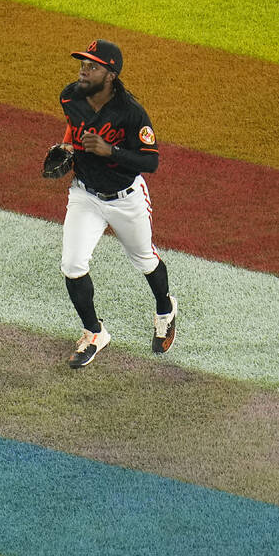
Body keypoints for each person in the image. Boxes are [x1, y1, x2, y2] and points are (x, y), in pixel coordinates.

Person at [55, 39, 177, 368]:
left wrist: (110, 151)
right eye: (83, 62)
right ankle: (94, 333)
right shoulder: (70, 96)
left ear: (110, 74)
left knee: (145, 260)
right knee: (72, 265)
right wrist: (67, 149)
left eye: (92, 66)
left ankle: (165, 309)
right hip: (85, 194)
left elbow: (150, 162)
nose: (83, 69)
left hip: (126, 199)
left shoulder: (131, 113)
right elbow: (73, 125)